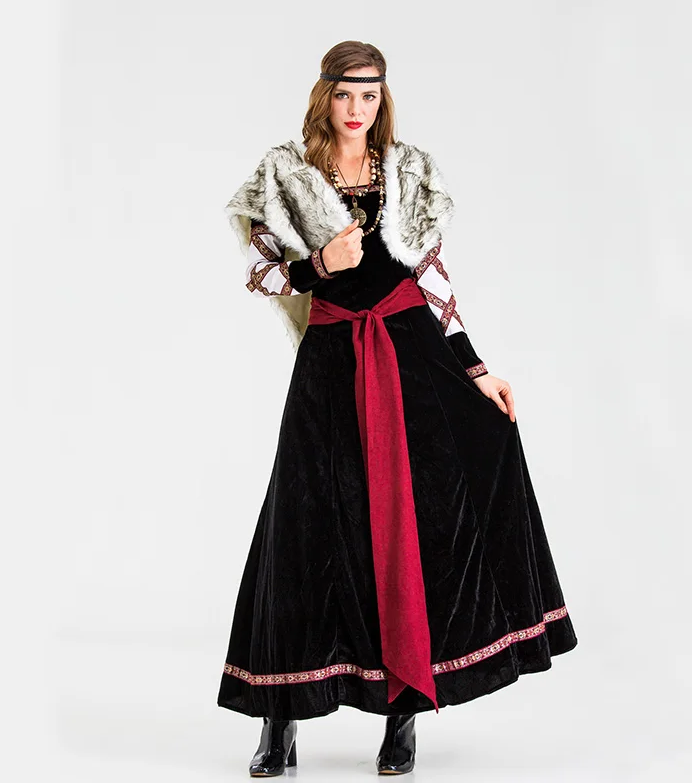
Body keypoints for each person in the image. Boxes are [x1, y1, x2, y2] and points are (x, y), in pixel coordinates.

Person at [217, 41, 578, 777]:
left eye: (370, 95)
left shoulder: (407, 171)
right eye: (345, 94)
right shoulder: (286, 174)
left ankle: (403, 713)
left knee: (421, 523)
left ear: (383, 99)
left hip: (413, 353)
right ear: (324, 95)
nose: (357, 109)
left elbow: (433, 277)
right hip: (331, 359)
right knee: (305, 528)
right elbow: (258, 273)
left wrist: (476, 369)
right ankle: (279, 721)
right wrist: (318, 266)